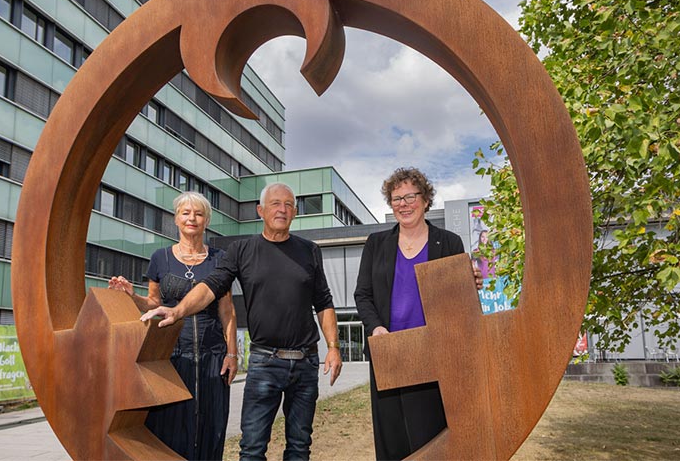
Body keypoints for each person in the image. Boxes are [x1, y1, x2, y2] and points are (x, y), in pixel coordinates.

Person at [142, 182, 342, 461]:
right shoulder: (242, 250)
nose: (282, 210)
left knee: (299, 446)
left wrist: (333, 346)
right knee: (251, 449)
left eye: (288, 204)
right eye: (275, 203)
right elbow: (210, 286)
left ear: (295, 212)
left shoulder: (309, 251)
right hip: (264, 364)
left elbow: (323, 301)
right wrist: (178, 311)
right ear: (261, 210)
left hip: (306, 364)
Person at [354, 167, 483, 460]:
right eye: (397, 198)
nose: (404, 204)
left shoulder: (449, 243)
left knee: (431, 438)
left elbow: (458, 301)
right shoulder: (376, 244)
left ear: (425, 200)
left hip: (434, 355)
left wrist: (469, 283)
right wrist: (376, 329)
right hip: (389, 354)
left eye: (411, 196)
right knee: (392, 441)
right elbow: (363, 295)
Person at [109, 191, 238, 460]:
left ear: (207, 220)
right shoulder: (160, 258)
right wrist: (132, 296)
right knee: (169, 430)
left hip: (212, 356)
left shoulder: (220, 259)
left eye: (199, 213)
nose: (192, 218)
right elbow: (153, 303)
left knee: (211, 428)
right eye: (186, 213)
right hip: (171, 358)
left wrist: (232, 353)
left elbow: (227, 310)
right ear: (176, 219)